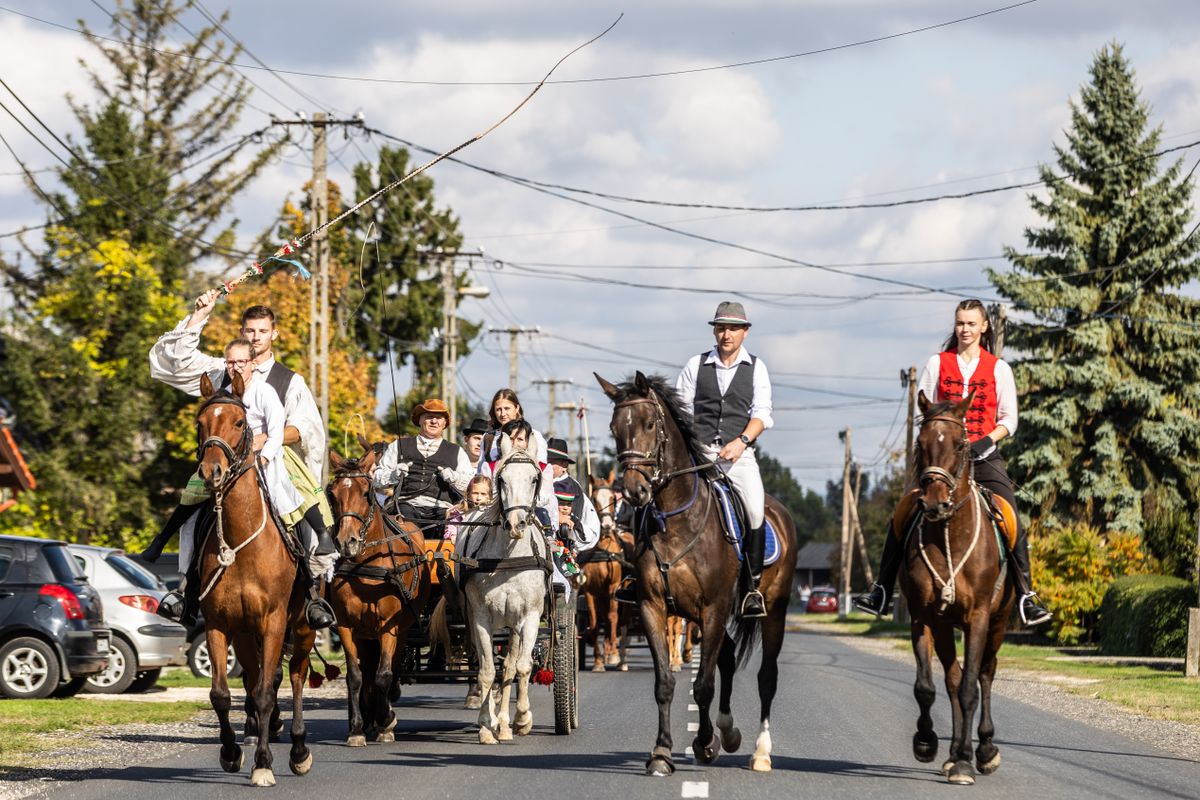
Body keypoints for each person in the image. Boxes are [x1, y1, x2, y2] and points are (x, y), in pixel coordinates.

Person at [853, 299, 1052, 627]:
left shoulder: (999, 368)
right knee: (903, 512)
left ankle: (1027, 595)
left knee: (1011, 517)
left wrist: (984, 441)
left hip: (984, 458)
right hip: (942, 462)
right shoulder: (937, 363)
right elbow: (924, 409)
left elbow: (1009, 419)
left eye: (971, 324)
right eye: (960, 323)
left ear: (984, 326)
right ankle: (881, 589)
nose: (965, 329)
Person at [161, 340, 336, 628]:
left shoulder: (268, 389)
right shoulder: (224, 394)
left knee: (288, 496)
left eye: (241, 362)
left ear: (252, 363)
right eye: (231, 362)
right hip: (231, 463)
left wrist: (265, 456)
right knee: (193, 508)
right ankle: (185, 590)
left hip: (267, 457)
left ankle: (312, 587)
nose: (235, 367)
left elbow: (279, 428)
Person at [675, 301, 773, 619]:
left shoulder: (756, 367)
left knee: (756, 509)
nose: (726, 334)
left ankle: (752, 589)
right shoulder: (695, 365)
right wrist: (697, 447)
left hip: (739, 456)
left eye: (732, 328)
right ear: (715, 331)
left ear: (744, 332)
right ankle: (642, 576)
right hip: (699, 455)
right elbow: (682, 412)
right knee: (656, 497)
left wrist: (741, 442)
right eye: (720, 328)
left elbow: (761, 414)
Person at [373, 398, 475, 537]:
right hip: (405, 506)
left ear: (444, 423)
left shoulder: (457, 452)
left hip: (442, 511)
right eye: (429, 417)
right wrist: (394, 475)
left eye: (438, 418)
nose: (434, 421)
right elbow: (376, 480)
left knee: (452, 529)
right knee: (405, 526)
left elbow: (471, 487)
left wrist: (455, 478)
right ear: (420, 420)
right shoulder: (399, 446)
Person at [477, 419, 557, 530]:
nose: (514, 443)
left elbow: (547, 497)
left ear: (528, 442)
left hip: (531, 513)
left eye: (520, 439)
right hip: (499, 514)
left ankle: (549, 540)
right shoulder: (489, 467)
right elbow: (484, 495)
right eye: (510, 439)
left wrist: (523, 502)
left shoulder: (543, 469)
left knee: (542, 513)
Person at [545, 438, 601, 552]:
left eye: (551, 462)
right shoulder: (536, 482)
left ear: (564, 465)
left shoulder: (574, 488)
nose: (546, 465)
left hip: (562, 552)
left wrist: (573, 546)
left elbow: (593, 530)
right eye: (545, 461)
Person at [478, 388, 549, 468]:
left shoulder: (533, 435)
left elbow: (542, 470)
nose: (503, 414)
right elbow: (481, 471)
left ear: (517, 408)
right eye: (498, 409)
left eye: (507, 408)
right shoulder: (488, 438)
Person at [445, 475, 493, 543]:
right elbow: (452, 526)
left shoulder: (492, 513)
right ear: (468, 494)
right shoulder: (459, 511)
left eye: (483, 494)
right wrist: (453, 534)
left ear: (489, 496)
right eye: (475, 493)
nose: (478, 498)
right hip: (462, 545)